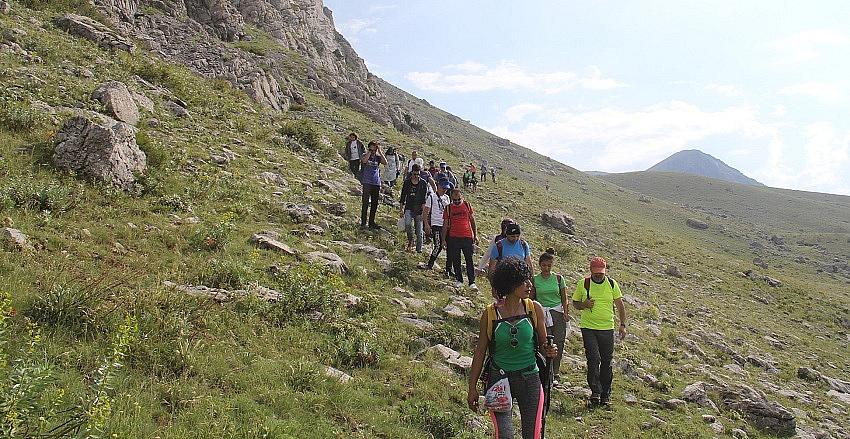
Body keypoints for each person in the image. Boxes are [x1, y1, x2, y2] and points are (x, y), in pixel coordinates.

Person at [467, 258, 558, 439]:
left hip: (530, 379)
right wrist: (472, 388)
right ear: (509, 283)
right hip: (499, 380)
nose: (529, 284)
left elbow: (542, 342)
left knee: (532, 435)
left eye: (528, 279)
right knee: (505, 435)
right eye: (522, 281)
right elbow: (480, 352)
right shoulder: (490, 313)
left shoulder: (534, 309)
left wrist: (549, 349)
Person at [571, 257, 627, 407]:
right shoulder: (584, 283)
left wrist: (622, 324)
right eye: (596, 273)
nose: (598, 275)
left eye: (601, 273)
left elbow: (620, 305)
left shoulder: (611, 284)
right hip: (588, 327)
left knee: (607, 361)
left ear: (605, 271)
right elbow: (575, 303)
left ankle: (605, 394)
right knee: (594, 358)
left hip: (607, 328)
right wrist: (584, 304)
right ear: (591, 271)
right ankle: (595, 391)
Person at [532, 249, 569, 383]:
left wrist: (565, 312)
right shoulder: (535, 280)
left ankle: (556, 371)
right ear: (540, 265)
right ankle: (545, 370)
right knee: (545, 342)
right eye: (544, 265)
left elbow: (564, 298)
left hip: (557, 313)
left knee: (559, 341)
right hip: (542, 313)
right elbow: (532, 299)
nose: (546, 268)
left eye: (549, 265)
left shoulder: (559, 279)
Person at [441, 188, 479, 290]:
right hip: (454, 237)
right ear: (451, 198)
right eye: (455, 200)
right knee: (456, 259)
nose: (457, 202)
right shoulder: (448, 208)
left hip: (467, 237)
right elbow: (445, 225)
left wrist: (475, 235)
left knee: (469, 260)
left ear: (461, 196)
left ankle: (472, 282)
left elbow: (472, 220)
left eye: (459, 199)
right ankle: (459, 280)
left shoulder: (467, 205)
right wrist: (443, 239)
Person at [422, 181, 452, 275]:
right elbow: (426, 212)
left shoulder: (447, 197)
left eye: (446, 189)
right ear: (438, 186)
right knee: (438, 245)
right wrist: (426, 224)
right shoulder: (431, 197)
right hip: (436, 224)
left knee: (450, 247)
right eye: (443, 188)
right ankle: (430, 263)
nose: (445, 190)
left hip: (446, 225)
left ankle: (448, 269)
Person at [399, 164, 428, 252]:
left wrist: (423, 213)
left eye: (418, 174)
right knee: (408, 224)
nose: (416, 176)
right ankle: (410, 240)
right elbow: (403, 197)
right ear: (412, 173)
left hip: (419, 209)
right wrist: (401, 209)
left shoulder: (423, 183)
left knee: (419, 232)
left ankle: (419, 250)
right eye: (415, 174)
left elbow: (424, 199)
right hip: (409, 207)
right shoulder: (407, 182)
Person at [359, 141, 387, 229]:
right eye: (372, 147)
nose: (373, 149)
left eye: (375, 147)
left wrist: (380, 151)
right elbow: (364, 161)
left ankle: (371, 222)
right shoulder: (365, 154)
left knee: (374, 204)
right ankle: (363, 222)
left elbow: (385, 162)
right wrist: (369, 152)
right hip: (367, 182)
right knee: (365, 203)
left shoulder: (378, 157)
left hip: (376, 182)